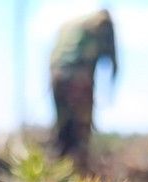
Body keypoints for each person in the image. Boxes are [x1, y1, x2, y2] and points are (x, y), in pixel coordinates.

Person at [50, 9, 117, 170]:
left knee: (63, 128)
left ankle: (59, 171)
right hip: (79, 77)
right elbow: (113, 59)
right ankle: (77, 174)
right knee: (80, 132)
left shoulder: (70, 25)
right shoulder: (103, 24)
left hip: (56, 75)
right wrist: (110, 87)